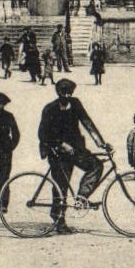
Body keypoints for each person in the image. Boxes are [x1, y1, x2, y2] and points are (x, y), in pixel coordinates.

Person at [38, 78, 109, 234]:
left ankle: (81, 197)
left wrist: (101, 143)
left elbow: (87, 122)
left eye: (70, 92)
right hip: (56, 151)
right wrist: (61, 144)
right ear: (58, 92)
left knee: (96, 165)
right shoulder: (50, 109)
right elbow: (43, 133)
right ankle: (59, 219)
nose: (67, 94)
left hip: (76, 149)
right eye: (63, 91)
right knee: (61, 185)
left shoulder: (75, 103)